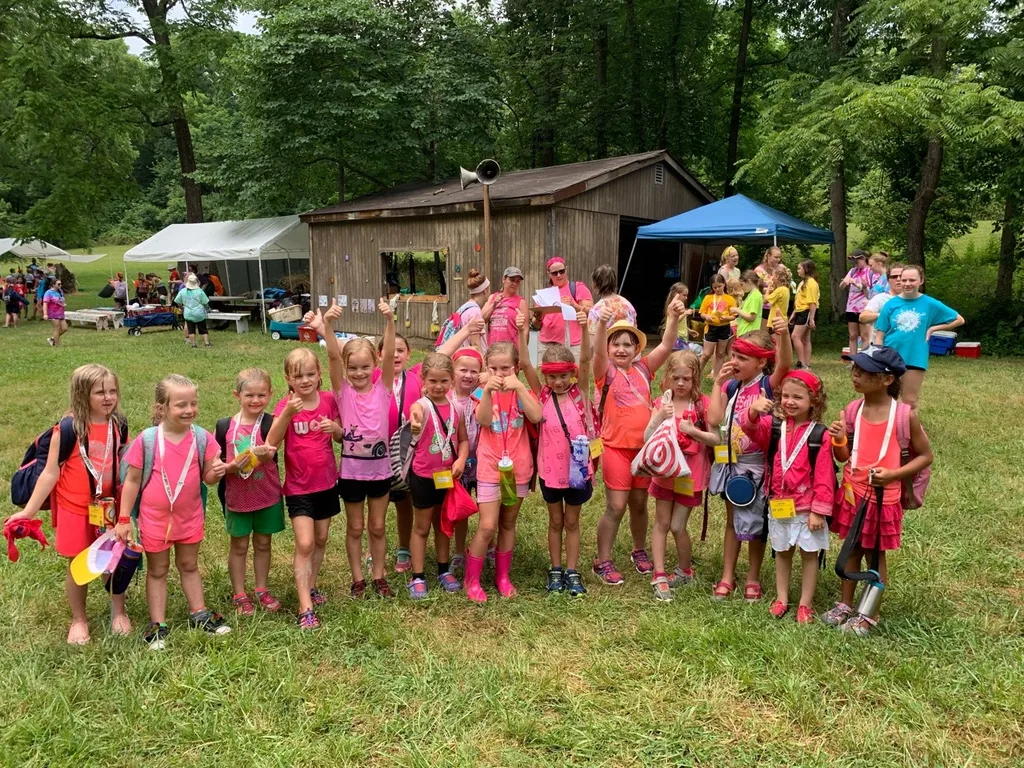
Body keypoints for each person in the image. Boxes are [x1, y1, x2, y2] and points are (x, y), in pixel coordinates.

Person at [3, 365, 131, 645]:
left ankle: (118, 611)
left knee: (114, 560)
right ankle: (79, 619)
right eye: (99, 392)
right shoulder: (68, 429)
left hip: (108, 508)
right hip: (75, 509)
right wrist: (28, 511)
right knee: (78, 564)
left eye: (112, 391)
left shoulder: (119, 424)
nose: (108, 397)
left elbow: (124, 465)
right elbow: (50, 474)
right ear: (82, 395)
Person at [825, 346, 934, 635]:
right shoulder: (852, 409)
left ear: (887, 379)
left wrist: (894, 475)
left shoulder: (903, 416)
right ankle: (846, 604)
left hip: (884, 497)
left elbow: (926, 456)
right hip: (853, 492)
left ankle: (868, 612)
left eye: (864, 371)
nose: (856, 374)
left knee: (875, 554)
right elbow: (844, 457)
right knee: (851, 547)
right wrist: (838, 441)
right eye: (855, 369)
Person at [115, 375, 229, 649]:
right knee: (158, 570)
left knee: (189, 565)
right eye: (181, 405)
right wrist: (123, 518)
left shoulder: (202, 438)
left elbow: (208, 478)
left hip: (190, 517)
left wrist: (216, 471)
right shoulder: (148, 440)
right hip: (154, 519)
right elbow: (132, 481)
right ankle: (158, 623)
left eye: (193, 403)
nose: (189, 410)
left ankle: (199, 613)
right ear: (161, 408)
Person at [309, 297, 397, 599]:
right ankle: (357, 579)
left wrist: (389, 321)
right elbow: (332, 357)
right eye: (353, 368)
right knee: (356, 528)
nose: (359, 373)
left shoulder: (383, 389)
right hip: (352, 473)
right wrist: (328, 326)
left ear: (374, 365)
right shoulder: (342, 391)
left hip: (380, 471)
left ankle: (378, 577)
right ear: (346, 369)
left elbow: (388, 357)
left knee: (377, 527)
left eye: (365, 367)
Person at [591, 297, 683, 585]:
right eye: (615, 344)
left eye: (627, 344)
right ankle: (602, 560)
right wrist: (602, 324)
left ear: (637, 349)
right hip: (615, 448)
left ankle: (640, 550)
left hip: (644, 450)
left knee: (640, 503)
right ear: (608, 348)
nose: (621, 349)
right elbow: (594, 353)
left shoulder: (643, 368)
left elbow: (667, 346)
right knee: (616, 506)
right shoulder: (603, 371)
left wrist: (673, 317)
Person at [706, 318, 792, 602]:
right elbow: (715, 419)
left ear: (761, 363)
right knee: (732, 522)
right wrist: (718, 383)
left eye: (742, 358)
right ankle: (727, 575)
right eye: (732, 355)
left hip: (756, 466)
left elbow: (785, 366)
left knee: (756, 524)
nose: (734, 361)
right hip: (731, 465)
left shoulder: (767, 384)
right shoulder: (732, 386)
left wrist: (785, 335)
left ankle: (753, 577)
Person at [742, 369, 835, 623]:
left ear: (813, 401)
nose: (790, 402)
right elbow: (750, 429)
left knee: (808, 554)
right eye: (785, 396)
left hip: (807, 508)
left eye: (798, 397)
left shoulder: (820, 435)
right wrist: (752, 411)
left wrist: (819, 510)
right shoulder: (774, 428)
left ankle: (805, 604)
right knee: (782, 552)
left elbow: (825, 477)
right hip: (779, 504)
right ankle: (782, 598)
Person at [265, 348, 343, 630]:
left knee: (321, 539)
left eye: (311, 374)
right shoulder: (286, 405)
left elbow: (342, 437)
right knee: (305, 543)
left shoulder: (328, 400)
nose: (306, 380)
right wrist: (286, 412)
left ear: (319, 374)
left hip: (327, 484)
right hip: (298, 488)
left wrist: (333, 427)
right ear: (288, 378)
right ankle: (304, 607)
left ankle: (310, 585)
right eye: (299, 376)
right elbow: (271, 443)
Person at [520, 309, 595, 596]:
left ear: (572, 374)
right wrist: (522, 330)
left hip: (576, 471)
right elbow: (525, 362)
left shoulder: (581, 393)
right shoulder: (541, 394)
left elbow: (587, 360)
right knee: (555, 521)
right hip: (550, 472)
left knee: (572, 521)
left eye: (564, 376)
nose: (559, 382)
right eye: (554, 377)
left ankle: (572, 570)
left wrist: (585, 327)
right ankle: (555, 568)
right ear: (545, 377)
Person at [465, 338, 543, 602]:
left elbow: (536, 416)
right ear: (488, 368)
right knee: (488, 526)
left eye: (506, 368)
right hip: (489, 467)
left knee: (508, 523)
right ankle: (472, 580)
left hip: (518, 468)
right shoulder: (480, 393)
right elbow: (484, 420)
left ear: (517, 367)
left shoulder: (522, 391)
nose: (500, 374)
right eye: (495, 369)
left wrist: (519, 387)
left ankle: (502, 577)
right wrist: (487, 391)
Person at [644, 351, 719, 601]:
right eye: (675, 378)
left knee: (678, 526)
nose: (680, 384)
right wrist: (658, 418)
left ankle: (685, 569)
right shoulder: (661, 403)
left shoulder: (703, 404)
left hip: (691, 477)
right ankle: (660, 573)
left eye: (686, 379)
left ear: (695, 378)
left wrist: (693, 431)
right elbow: (646, 439)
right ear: (667, 377)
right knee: (661, 523)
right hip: (664, 474)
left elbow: (717, 439)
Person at [215, 368, 285, 617]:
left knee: (264, 543)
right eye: (249, 395)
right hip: (237, 497)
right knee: (239, 545)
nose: (256, 401)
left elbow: (273, 450)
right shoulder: (225, 426)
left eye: (261, 395)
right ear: (237, 395)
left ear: (270, 394)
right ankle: (239, 593)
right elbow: (217, 463)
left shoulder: (270, 423)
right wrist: (230, 467)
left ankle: (261, 588)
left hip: (266, 495)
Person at [406, 353, 470, 599]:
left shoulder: (457, 408)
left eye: (443, 381)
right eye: (432, 381)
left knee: (444, 526)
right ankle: (418, 576)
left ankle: (444, 570)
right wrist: (414, 420)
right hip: (423, 476)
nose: (438, 386)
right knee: (421, 526)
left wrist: (462, 459)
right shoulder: (421, 406)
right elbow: (415, 412)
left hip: (447, 478)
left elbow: (463, 440)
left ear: (452, 380)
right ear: (423, 380)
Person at [872, 264, 963, 411]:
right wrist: (879, 356)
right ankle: (889, 430)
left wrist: (933, 328)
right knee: (888, 398)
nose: (907, 284)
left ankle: (909, 432)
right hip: (891, 356)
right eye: (904, 280)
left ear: (921, 281)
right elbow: (880, 334)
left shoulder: (930, 303)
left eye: (912, 280)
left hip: (916, 356)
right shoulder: (890, 304)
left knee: (910, 401)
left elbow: (959, 319)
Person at [448, 347, 484, 577]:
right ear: (452, 371)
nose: (468, 376)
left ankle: (488, 546)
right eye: (463, 370)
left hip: (481, 462)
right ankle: (459, 551)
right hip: (454, 464)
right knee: (459, 509)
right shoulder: (445, 397)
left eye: (474, 371)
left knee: (487, 507)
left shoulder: (482, 395)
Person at [534, 256, 594, 363]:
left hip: (572, 344)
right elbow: (536, 325)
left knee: (573, 377)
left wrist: (573, 305)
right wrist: (537, 318)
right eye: (554, 273)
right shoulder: (543, 294)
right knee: (546, 377)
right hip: (546, 344)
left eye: (561, 271)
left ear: (566, 269)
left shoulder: (577, 287)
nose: (559, 275)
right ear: (549, 274)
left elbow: (592, 312)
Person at [698, 275, 736, 379]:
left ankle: (716, 377)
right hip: (711, 327)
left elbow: (734, 315)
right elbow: (701, 312)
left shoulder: (730, 299)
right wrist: (707, 316)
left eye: (719, 286)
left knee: (720, 353)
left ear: (724, 284)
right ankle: (695, 375)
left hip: (724, 328)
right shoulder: (708, 297)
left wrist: (727, 318)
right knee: (706, 354)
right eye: (715, 287)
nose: (717, 289)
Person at [482, 267, 526, 349]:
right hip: (493, 348)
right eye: (512, 280)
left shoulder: (521, 302)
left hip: (511, 350)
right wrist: (494, 305)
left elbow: (525, 330)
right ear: (504, 279)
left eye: (517, 281)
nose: (514, 284)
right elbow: (482, 319)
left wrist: (522, 352)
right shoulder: (492, 297)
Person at [841, 249, 875, 353]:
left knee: (864, 335)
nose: (855, 263)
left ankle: (864, 360)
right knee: (852, 335)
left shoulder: (870, 271)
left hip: (864, 307)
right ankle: (853, 360)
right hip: (851, 307)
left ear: (863, 259)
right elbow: (842, 286)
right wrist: (845, 282)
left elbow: (870, 292)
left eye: (857, 260)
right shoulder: (852, 271)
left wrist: (857, 284)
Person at [859, 263, 903, 341]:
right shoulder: (880, 298)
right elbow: (863, 317)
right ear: (888, 280)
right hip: (883, 348)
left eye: (902, 276)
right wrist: (883, 314)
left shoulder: (914, 300)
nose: (898, 279)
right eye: (894, 277)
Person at [588, 264, 636, 331]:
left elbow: (592, 337)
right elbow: (635, 330)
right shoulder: (628, 305)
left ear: (595, 284)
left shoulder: (596, 310)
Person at [790, 260, 819, 369]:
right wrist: (794, 313)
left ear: (806, 269)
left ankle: (802, 363)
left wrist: (811, 318)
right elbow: (799, 299)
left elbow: (812, 302)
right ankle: (806, 364)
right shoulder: (803, 282)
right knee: (805, 339)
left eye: (799, 268)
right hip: (800, 311)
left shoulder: (811, 283)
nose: (797, 270)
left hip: (807, 312)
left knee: (795, 336)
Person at [174, 273, 212, 348]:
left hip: (188, 313)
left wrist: (181, 307)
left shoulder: (183, 291)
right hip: (199, 313)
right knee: (203, 329)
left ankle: (193, 344)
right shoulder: (200, 291)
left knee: (191, 330)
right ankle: (206, 343)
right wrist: (207, 309)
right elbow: (205, 302)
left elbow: (177, 301)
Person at [662, 283, 696, 350]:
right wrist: (686, 313)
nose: (686, 298)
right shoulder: (673, 306)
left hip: (682, 338)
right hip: (677, 338)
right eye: (684, 295)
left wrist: (688, 330)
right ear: (676, 294)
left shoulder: (680, 306)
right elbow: (674, 321)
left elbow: (679, 323)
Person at [731, 270, 764, 338]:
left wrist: (737, 310)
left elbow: (751, 318)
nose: (741, 287)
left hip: (748, 333)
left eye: (742, 284)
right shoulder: (752, 294)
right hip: (745, 332)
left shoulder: (755, 296)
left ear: (749, 281)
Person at [764, 264, 792, 330]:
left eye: (772, 275)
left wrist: (769, 286)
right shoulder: (785, 289)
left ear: (777, 276)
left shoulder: (779, 290)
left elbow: (765, 300)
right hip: (782, 320)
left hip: (775, 322)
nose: (771, 277)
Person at [42, 278, 67, 347]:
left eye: (61, 284)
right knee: (57, 328)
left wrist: (63, 304)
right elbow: (45, 304)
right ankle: (57, 345)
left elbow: (61, 300)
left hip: (60, 313)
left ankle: (52, 339)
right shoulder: (48, 293)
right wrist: (45, 314)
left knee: (65, 328)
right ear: (53, 285)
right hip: (53, 313)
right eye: (58, 284)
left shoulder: (60, 291)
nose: (60, 285)